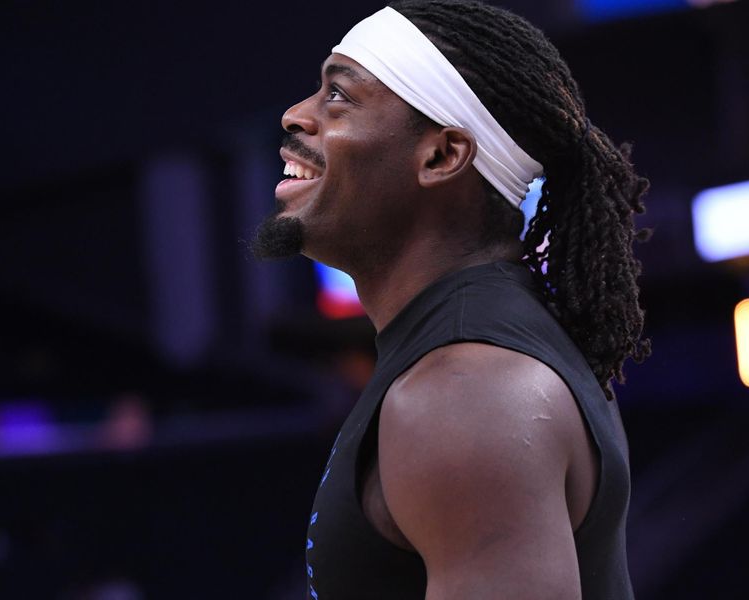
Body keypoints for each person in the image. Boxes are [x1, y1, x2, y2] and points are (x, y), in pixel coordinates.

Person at [252, 1, 650, 598]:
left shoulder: (469, 394)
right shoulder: (468, 358)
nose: (295, 115)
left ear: (440, 156)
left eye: (338, 95)